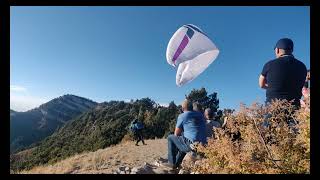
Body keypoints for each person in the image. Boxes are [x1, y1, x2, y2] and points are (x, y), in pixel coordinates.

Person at [259, 38, 307, 109]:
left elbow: (261, 84)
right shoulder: (302, 67)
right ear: (291, 50)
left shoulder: (269, 64)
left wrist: (273, 87)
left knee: (271, 119)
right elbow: (301, 85)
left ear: (277, 50)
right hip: (294, 108)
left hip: (273, 106)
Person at [161, 99, 207, 170]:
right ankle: (176, 163)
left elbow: (176, 134)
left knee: (170, 137)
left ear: (182, 108)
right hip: (204, 145)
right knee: (183, 141)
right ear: (192, 107)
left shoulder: (182, 116)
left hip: (193, 145)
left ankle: (171, 163)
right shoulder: (200, 115)